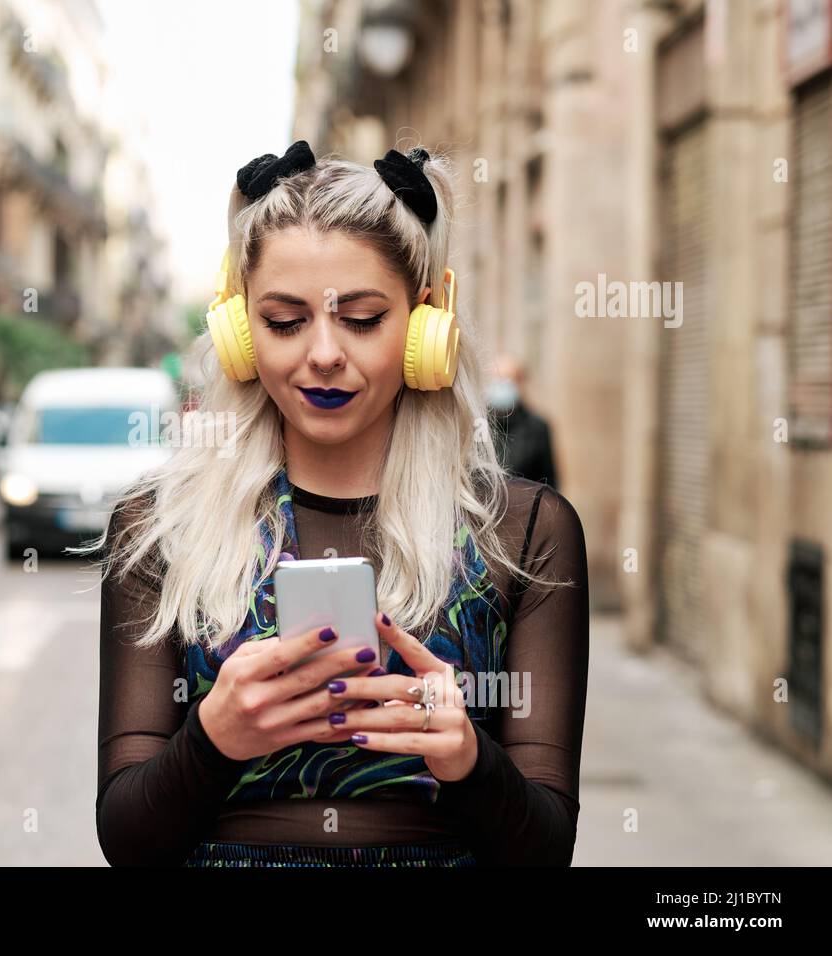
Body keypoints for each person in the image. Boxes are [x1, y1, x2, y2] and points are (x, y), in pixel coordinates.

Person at [80, 140, 589, 867]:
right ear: (239, 333)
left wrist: (470, 761)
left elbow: (546, 849)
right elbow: (128, 841)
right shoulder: (161, 529)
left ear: (425, 325)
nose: (323, 353)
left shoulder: (524, 531)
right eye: (285, 322)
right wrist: (213, 740)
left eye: (362, 318)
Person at [486, 353, 560, 489]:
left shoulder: (537, 428)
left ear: (520, 383)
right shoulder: (477, 424)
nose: (501, 384)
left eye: (507, 379)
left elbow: (550, 482)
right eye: (497, 378)